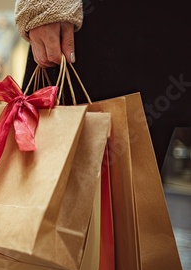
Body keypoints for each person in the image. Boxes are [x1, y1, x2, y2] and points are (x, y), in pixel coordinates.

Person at [15, 0, 191, 171]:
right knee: (66, 174)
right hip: (90, 27)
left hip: (172, 28)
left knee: (138, 183)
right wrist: (43, 6)